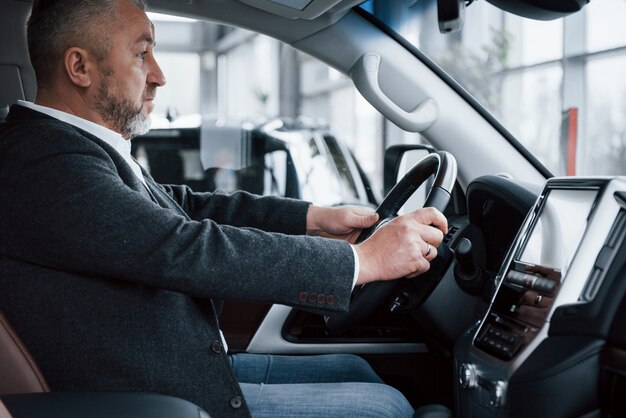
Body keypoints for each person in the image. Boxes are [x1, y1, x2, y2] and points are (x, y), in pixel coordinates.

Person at [0, 0, 448, 417]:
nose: (158, 75)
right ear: (80, 67)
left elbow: (184, 206)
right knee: (384, 407)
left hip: (178, 366)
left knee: (358, 371)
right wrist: (363, 260)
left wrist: (312, 219)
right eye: (142, 54)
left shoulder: (73, 148)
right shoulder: (44, 162)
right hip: (154, 397)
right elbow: (181, 246)